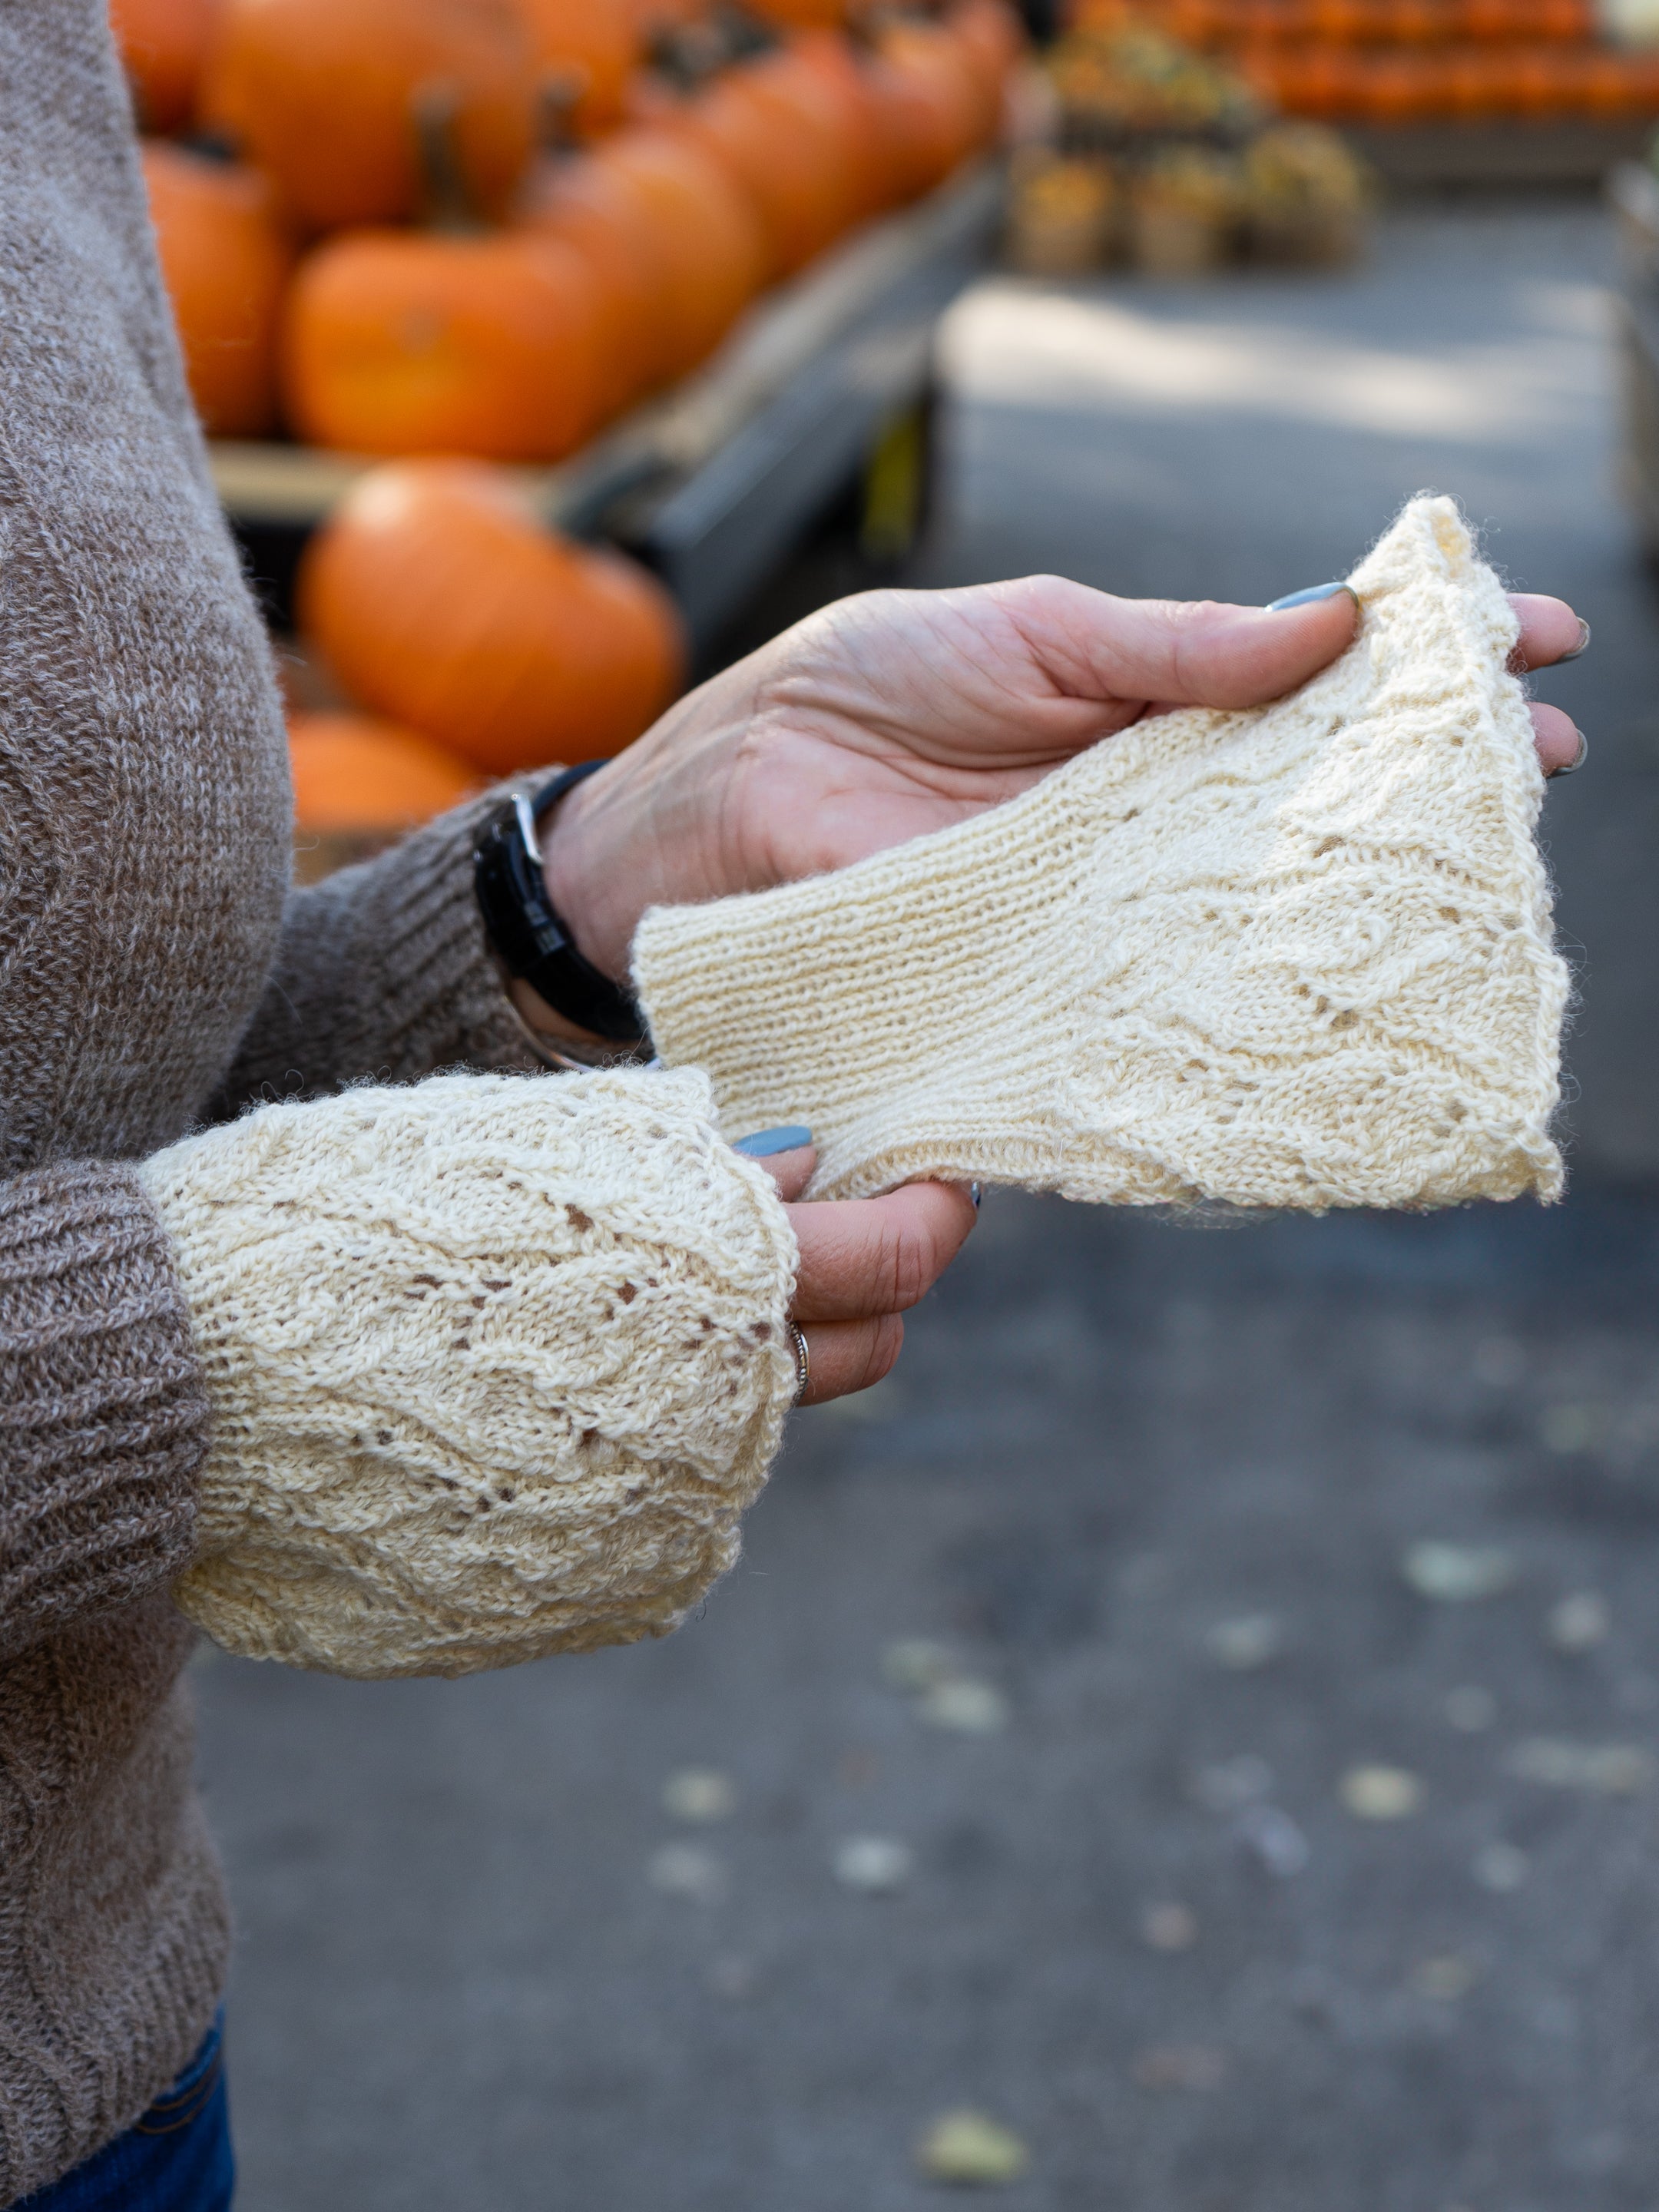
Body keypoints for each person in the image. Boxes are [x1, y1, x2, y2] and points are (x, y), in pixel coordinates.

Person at [0, 5, 1591, 2206]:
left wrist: (590, 897)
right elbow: (144, 1301)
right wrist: (177, 1364)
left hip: (116, 2049)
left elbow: (73, 1085)